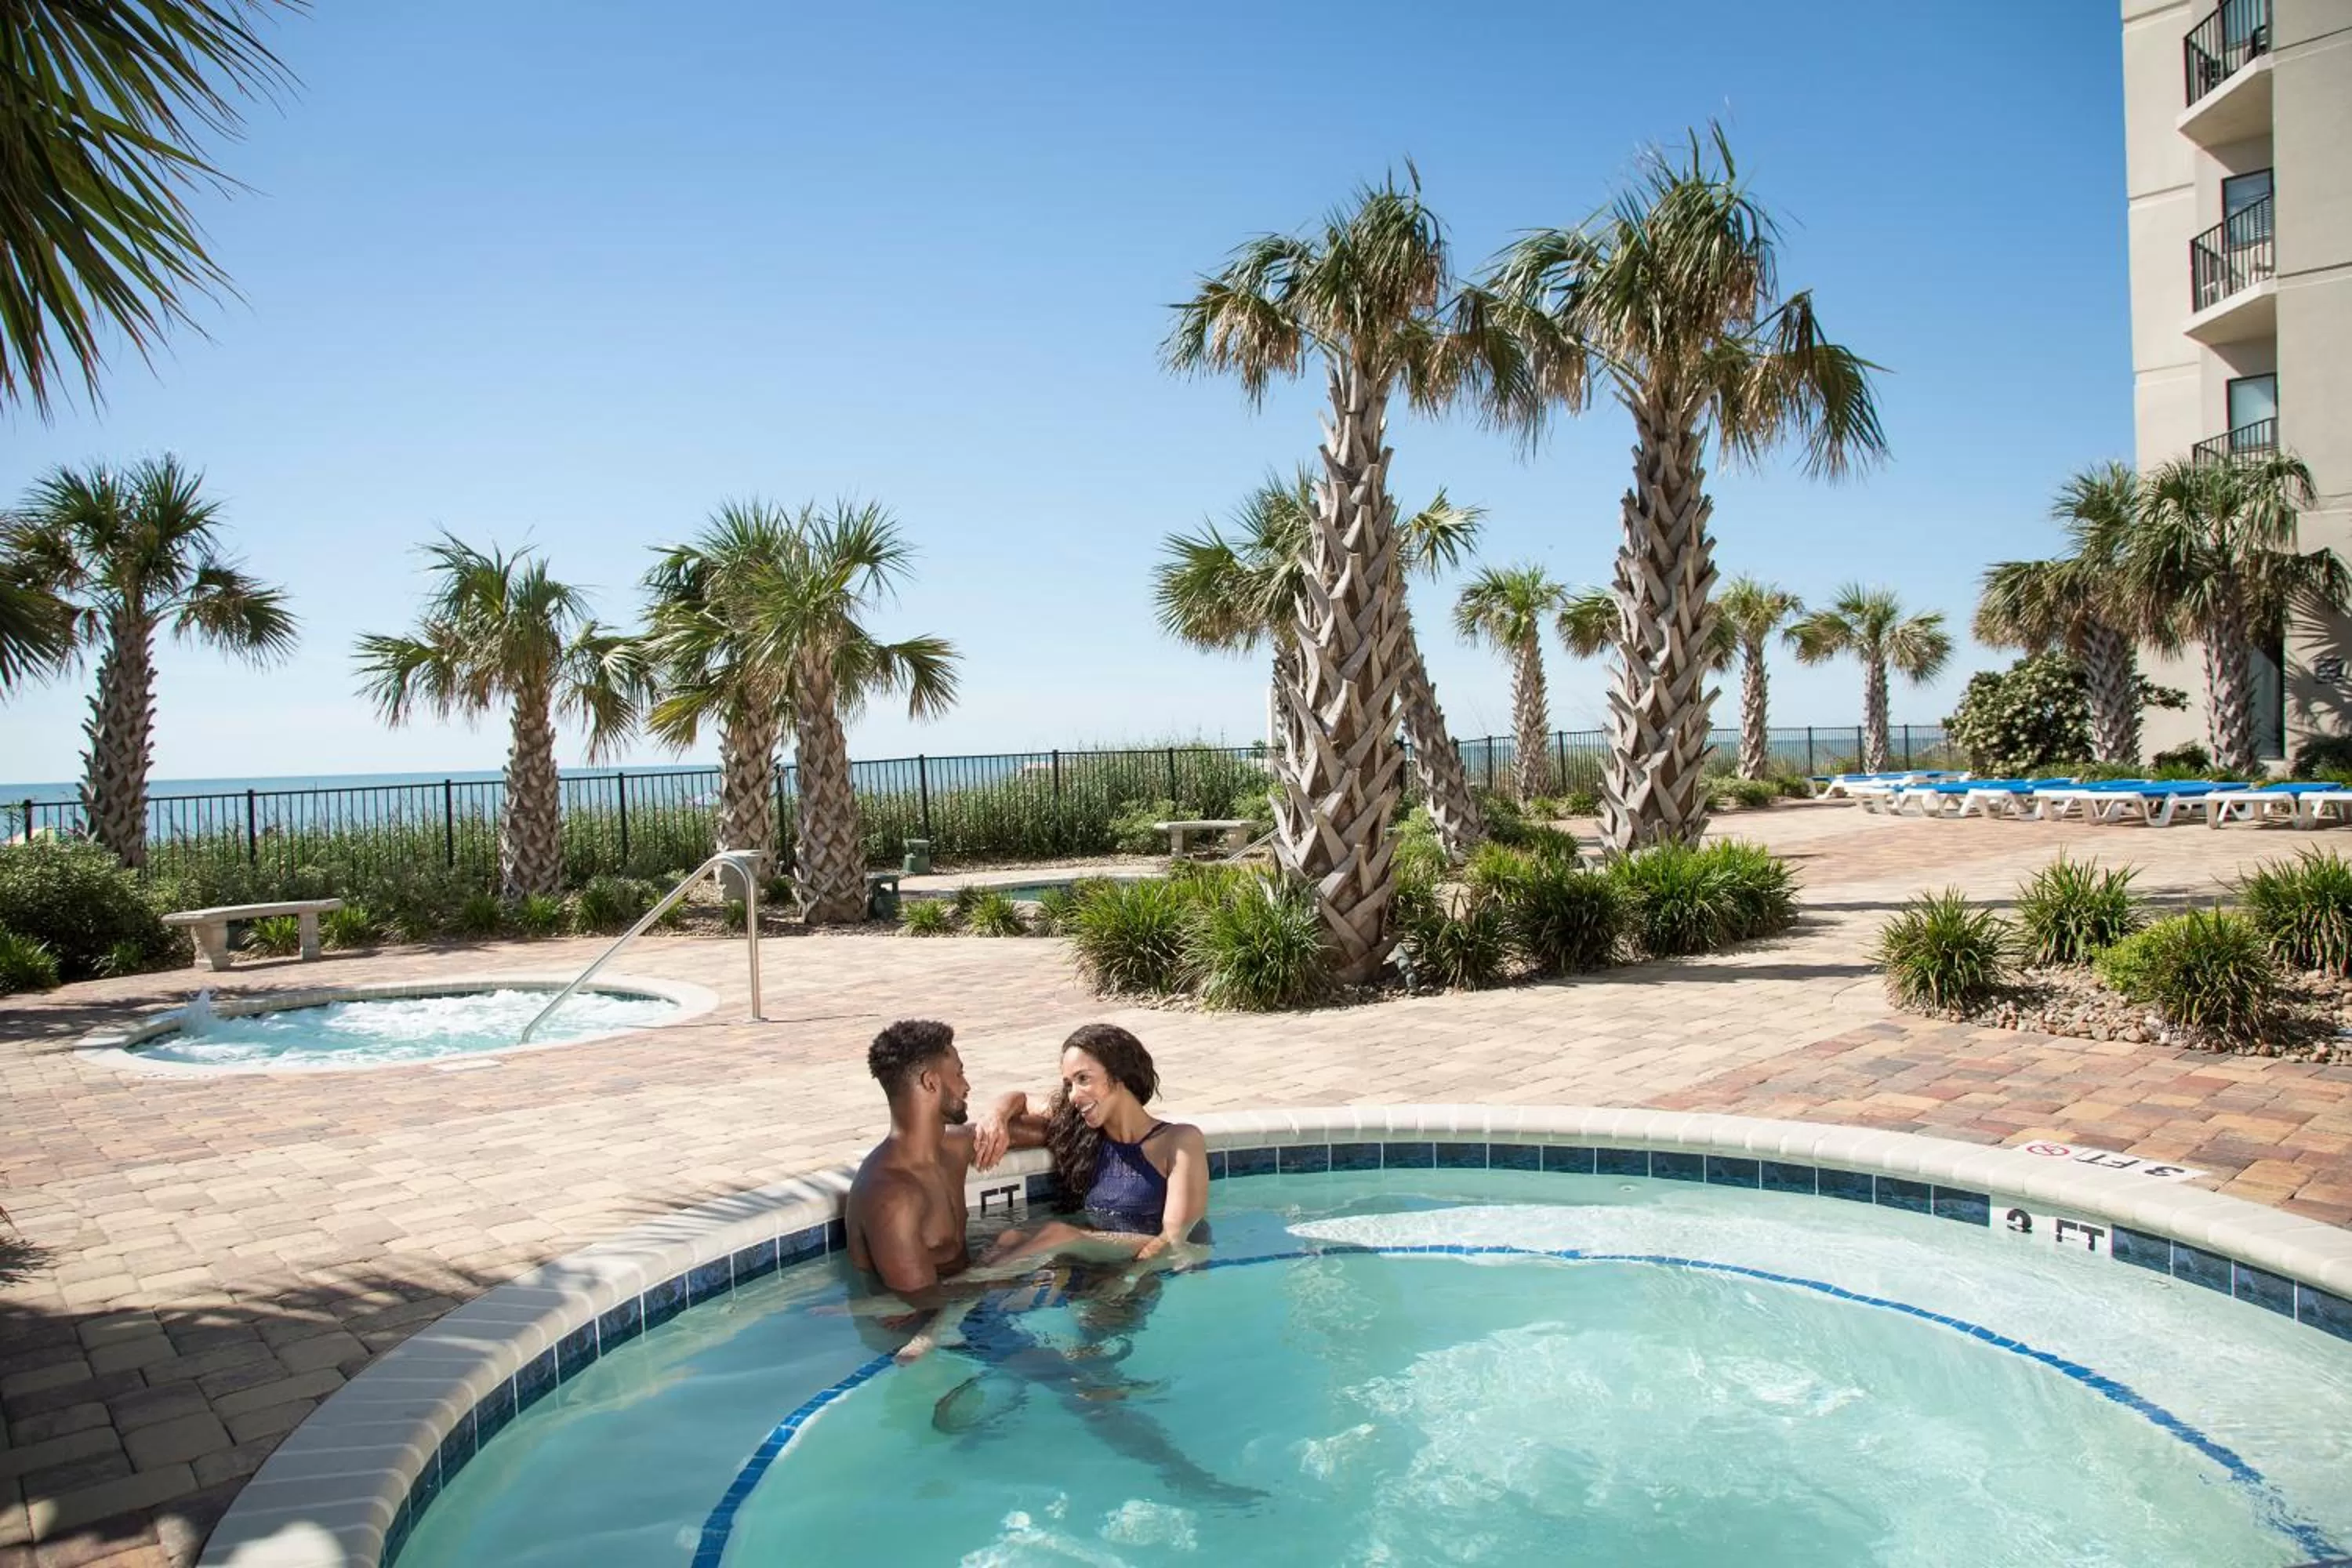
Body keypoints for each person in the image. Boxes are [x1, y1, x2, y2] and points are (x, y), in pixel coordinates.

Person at [971, 1022, 1210, 1271]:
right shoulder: (1080, 1128)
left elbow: (1175, 1237)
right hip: (1100, 1254)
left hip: (1151, 1258)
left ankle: (961, 1290)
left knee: (1059, 1234)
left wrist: (1128, 1279)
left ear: (1118, 1076)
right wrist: (995, 1116)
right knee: (1009, 1238)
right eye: (1069, 1084)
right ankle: (972, 1300)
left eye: (1083, 1079)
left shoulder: (1180, 1140)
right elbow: (1020, 1099)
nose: (1073, 1095)